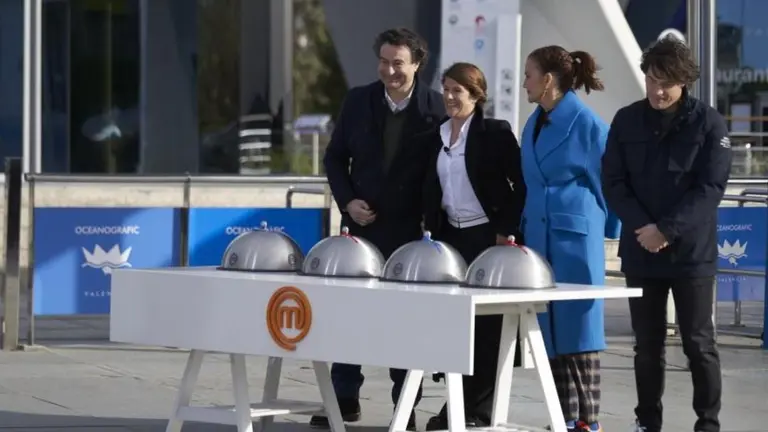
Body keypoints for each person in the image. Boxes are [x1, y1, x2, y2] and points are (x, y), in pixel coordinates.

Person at [315, 27, 445, 431]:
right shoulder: (358, 100)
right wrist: (348, 201)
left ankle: (404, 406)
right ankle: (343, 397)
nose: (390, 70)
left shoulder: (436, 108)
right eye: (385, 61)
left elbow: (443, 172)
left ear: (417, 64)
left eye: (398, 63)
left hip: (410, 233)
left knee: (403, 320)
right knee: (347, 312)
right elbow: (335, 158)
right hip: (359, 228)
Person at [601, 35, 731, 432]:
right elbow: (613, 181)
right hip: (642, 251)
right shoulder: (626, 120)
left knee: (698, 343)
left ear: (684, 82)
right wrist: (645, 229)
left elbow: (711, 188)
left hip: (691, 255)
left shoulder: (709, 122)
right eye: (651, 80)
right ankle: (647, 421)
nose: (658, 90)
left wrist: (667, 230)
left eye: (666, 83)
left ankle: (707, 423)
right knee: (647, 346)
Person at [519, 45, 621, 432]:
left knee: (580, 329)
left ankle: (589, 421)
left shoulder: (587, 123)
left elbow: (608, 183)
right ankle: (562, 418)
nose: (524, 81)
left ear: (547, 80)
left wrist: (609, 232)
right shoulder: (534, 121)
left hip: (575, 239)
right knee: (553, 331)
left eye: (529, 74)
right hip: (540, 239)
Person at [421, 62, 526, 431]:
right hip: (451, 238)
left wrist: (506, 230)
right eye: (446, 89)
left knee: (487, 329)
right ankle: (456, 402)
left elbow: (519, 186)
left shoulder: (495, 133)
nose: (450, 97)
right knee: (455, 327)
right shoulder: (435, 134)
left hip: (488, 236)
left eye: (458, 91)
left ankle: (474, 411)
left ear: (476, 96)